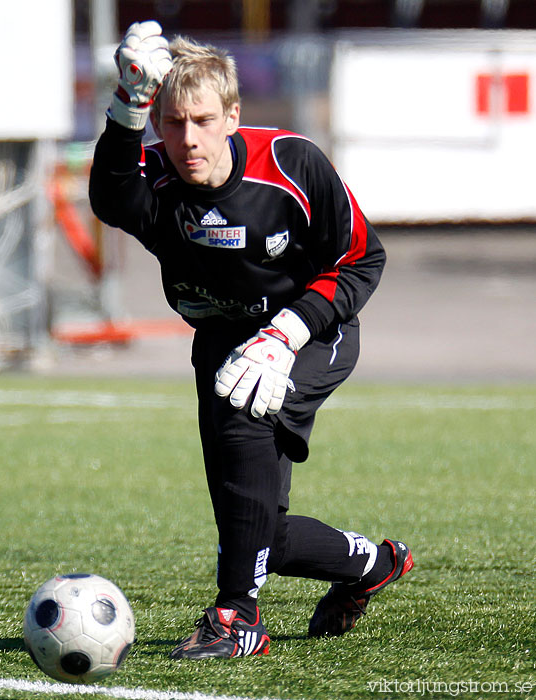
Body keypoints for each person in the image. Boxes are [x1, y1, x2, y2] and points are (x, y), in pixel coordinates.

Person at [89, 21, 413, 660]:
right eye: (172, 122)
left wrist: (284, 335)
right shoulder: (152, 175)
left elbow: (361, 260)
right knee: (255, 523)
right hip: (223, 341)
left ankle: (237, 619)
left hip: (313, 330)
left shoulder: (292, 164)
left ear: (233, 116)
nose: (188, 139)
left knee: (242, 433)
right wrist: (126, 111)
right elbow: (108, 197)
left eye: (204, 121)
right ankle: (372, 564)